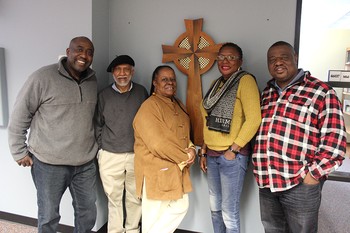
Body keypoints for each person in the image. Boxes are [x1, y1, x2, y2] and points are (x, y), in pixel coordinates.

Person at [252, 41, 347, 233]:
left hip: (299, 183)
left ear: (295, 58)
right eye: (272, 59)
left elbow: (334, 142)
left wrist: (312, 175)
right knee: (273, 230)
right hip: (268, 181)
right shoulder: (267, 93)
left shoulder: (321, 92)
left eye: (284, 57)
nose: (278, 62)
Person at [8, 36, 98, 233]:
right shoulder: (42, 77)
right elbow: (20, 114)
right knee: (49, 216)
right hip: (48, 164)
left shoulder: (93, 80)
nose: (84, 55)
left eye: (89, 52)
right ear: (68, 52)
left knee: (88, 213)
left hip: (85, 164)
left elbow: (94, 118)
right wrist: (18, 150)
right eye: (79, 49)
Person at [199, 42, 261, 233]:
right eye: (222, 57)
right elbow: (206, 120)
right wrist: (203, 151)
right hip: (211, 154)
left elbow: (254, 119)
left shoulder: (246, 81)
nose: (225, 61)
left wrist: (233, 150)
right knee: (215, 208)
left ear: (240, 61)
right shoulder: (215, 84)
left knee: (228, 211)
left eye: (231, 57)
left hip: (231, 156)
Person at [133, 65, 196, 233]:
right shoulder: (149, 106)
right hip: (156, 172)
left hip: (175, 170)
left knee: (180, 206)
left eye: (173, 79)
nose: (170, 82)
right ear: (155, 83)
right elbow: (158, 144)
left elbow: (183, 134)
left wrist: (191, 149)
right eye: (165, 79)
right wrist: (185, 156)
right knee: (152, 219)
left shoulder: (178, 105)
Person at [95, 55, 148, 233]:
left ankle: (132, 230)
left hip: (136, 154)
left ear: (132, 72)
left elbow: (148, 122)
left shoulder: (141, 92)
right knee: (113, 198)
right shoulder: (103, 95)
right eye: (118, 70)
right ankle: (115, 231)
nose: (122, 74)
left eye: (126, 69)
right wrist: (103, 146)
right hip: (110, 154)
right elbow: (97, 124)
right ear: (113, 73)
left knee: (135, 197)